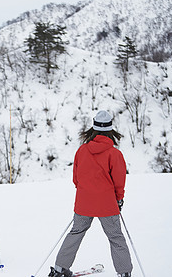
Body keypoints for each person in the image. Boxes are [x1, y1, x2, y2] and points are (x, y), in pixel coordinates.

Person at [48, 110, 133, 277]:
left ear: (93, 128)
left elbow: (76, 179)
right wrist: (119, 199)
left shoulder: (82, 151)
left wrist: (87, 192)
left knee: (76, 232)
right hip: (107, 204)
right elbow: (119, 181)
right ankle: (124, 273)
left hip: (84, 203)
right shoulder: (114, 154)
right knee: (116, 237)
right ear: (110, 130)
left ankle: (59, 268)